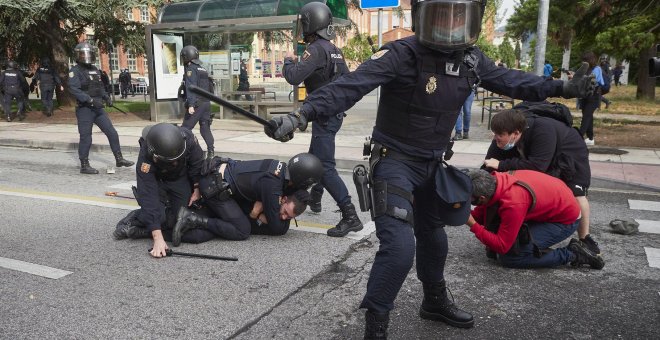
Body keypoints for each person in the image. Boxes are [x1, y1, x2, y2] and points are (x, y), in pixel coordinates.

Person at [262, 0, 596, 337]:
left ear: (472, 19)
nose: (450, 23)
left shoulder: (471, 59)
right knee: (400, 248)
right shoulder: (401, 53)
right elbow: (350, 87)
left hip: (433, 164)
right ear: (423, 15)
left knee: (435, 239)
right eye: (441, 14)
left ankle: (433, 301)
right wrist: (301, 115)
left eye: (459, 15)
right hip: (394, 162)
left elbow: (514, 82)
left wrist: (562, 88)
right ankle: (376, 327)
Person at [282, 2, 363, 238]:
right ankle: (314, 200)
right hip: (332, 114)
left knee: (325, 167)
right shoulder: (334, 49)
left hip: (324, 116)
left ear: (310, 24)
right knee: (313, 159)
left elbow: (293, 77)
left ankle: (350, 216)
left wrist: (288, 60)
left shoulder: (316, 49)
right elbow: (348, 84)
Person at [482, 107, 601, 256]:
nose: (495, 138)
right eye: (495, 134)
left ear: (516, 133)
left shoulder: (543, 130)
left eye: (499, 135)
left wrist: (501, 165)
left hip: (569, 151)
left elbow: (538, 167)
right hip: (538, 154)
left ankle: (585, 240)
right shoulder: (504, 133)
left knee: (575, 192)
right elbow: (489, 165)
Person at [169, 153, 323, 245]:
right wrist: (256, 215)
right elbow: (278, 228)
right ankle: (192, 219)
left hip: (219, 180)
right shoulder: (272, 185)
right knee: (242, 230)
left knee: (238, 220)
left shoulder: (279, 169)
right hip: (214, 187)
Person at [466, 169, 604, 269]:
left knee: (511, 257)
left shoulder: (513, 203)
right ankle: (535, 247)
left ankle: (572, 254)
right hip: (554, 204)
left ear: (482, 198)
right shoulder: (497, 181)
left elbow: (502, 245)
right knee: (503, 236)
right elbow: (481, 214)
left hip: (565, 220)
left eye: (471, 200)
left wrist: (473, 225)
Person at [68, 42, 134, 174]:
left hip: (98, 108)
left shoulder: (94, 69)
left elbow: (100, 86)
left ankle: (119, 159)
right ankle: (84, 164)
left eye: (88, 53)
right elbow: (74, 89)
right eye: (83, 54)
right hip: (85, 109)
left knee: (112, 132)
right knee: (86, 137)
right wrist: (90, 100)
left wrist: (106, 97)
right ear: (78, 55)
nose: (86, 56)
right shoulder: (74, 72)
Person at [180, 45, 215, 159]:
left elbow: (191, 87)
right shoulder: (202, 69)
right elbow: (210, 88)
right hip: (206, 103)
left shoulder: (191, 69)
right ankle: (211, 151)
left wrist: (191, 105)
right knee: (205, 128)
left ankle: (182, 152)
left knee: (184, 129)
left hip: (197, 103)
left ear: (187, 57)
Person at [578, 51, 605, 146]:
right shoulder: (585, 69)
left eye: (585, 61)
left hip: (594, 96)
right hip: (585, 95)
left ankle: (578, 137)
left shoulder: (597, 69)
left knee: (586, 116)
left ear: (590, 60)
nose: (583, 63)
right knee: (588, 116)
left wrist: (581, 78)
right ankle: (590, 138)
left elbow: (593, 80)